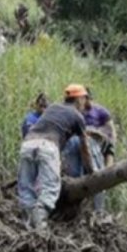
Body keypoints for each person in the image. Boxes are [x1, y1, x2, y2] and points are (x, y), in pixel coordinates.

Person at [17, 84, 89, 229]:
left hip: (28, 144)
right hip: (48, 146)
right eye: (84, 99)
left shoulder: (53, 108)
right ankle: (40, 225)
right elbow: (84, 147)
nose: (85, 103)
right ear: (79, 99)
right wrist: (91, 170)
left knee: (26, 187)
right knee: (50, 188)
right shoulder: (77, 116)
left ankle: (28, 226)